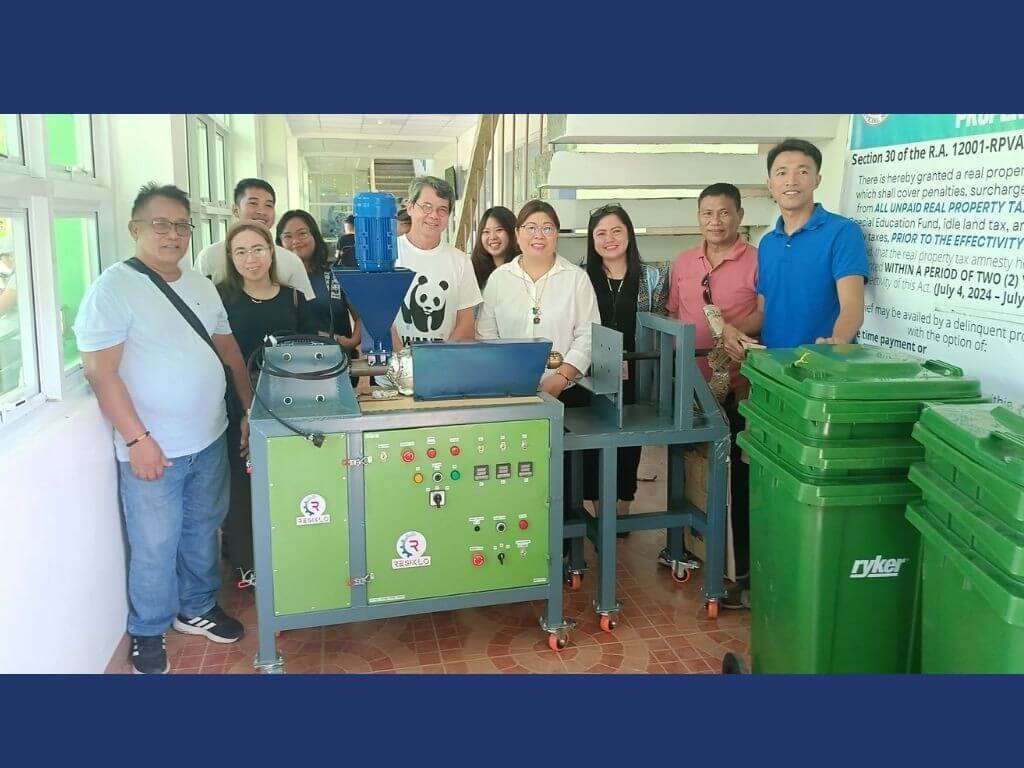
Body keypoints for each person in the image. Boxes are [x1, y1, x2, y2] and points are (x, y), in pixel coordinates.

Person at [74, 183, 249, 674]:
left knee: (200, 531)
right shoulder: (112, 290)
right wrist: (137, 441)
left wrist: (246, 410)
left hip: (209, 436)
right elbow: (100, 373)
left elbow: (228, 349)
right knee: (154, 544)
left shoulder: (198, 283)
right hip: (154, 449)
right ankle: (148, 631)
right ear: (135, 228)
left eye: (181, 225)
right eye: (160, 224)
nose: (172, 234)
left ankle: (196, 608)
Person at [666, 183, 760, 608]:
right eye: (708, 213)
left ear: (739, 215)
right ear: (698, 216)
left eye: (724, 213)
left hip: (741, 387)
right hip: (691, 386)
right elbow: (673, 314)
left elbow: (767, 306)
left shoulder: (758, 260)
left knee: (737, 478)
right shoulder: (684, 262)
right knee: (688, 468)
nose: (715, 221)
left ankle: (737, 570)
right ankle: (687, 546)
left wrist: (740, 331)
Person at [216, 221, 317, 588]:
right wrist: (243, 408)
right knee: (244, 482)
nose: (250, 258)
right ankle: (248, 562)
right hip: (236, 404)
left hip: (288, 402)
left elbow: (312, 350)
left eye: (257, 249)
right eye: (240, 252)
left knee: (288, 478)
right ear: (230, 257)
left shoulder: (292, 297)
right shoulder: (221, 297)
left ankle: (296, 552)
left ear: (272, 252)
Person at [730, 139, 869, 352]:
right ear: (770, 184)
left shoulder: (843, 232)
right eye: (782, 173)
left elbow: (852, 306)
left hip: (821, 368)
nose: (791, 181)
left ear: (817, 180)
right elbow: (764, 313)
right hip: (773, 367)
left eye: (802, 172)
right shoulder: (767, 243)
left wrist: (837, 340)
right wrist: (734, 330)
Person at [583, 204, 668, 534]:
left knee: (629, 443)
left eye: (616, 230)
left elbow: (661, 323)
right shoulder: (581, 276)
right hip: (590, 375)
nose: (609, 239)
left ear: (629, 233)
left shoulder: (653, 276)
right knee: (591, 440)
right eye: (600, 233)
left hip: (636, 373)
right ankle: (596, 508)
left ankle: (622, 508)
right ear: (592, 241)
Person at [476, 200, 599, 401]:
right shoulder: (500, 278)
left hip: (565, 391)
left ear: (557, 234)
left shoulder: (576, 278)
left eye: (547, 228)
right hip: (508, 389)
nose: (539, 235)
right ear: (517, 234)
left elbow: (588, 334)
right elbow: (486, 333)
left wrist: (560, 377)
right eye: (530, 227)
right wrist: (506, 373)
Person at [392, 176, 482, 347]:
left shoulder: (460, 261)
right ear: (410, 207)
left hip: (444, 367)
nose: (434, 215)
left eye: (442, 210)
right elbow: (377, 318)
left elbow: (466, 323)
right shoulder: (389, 256)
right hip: (395, 367)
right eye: (426, 207)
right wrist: (403, 359)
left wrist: (440, 360)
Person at [194, 178, 315, 301]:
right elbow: (198, 303)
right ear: (236, 210)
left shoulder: (290, 261)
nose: (262, 211)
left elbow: (305, 308)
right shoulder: (209, 256)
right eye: (253, 203)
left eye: (268, 205)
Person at [277, 210, 362, 383]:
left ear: (314, 235)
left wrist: (352, 342)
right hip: (294, 370)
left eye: (302, 234)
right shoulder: (277, 280)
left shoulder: (335, 273)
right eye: (287, 236)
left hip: (338, 366)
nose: (295, 241)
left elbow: (361, 316)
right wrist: (332, 339)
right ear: (279, 242)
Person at [470, 206, 520, 290]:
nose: (492, 237)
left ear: (512, 232)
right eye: (486, 231)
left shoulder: (522, 269)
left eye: (499, 230)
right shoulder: (473, 271)